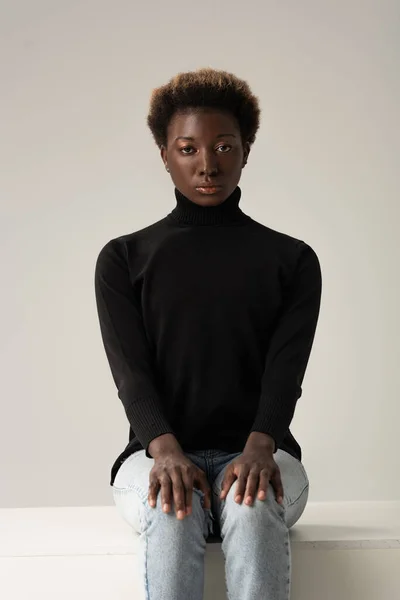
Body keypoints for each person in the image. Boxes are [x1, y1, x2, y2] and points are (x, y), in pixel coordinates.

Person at [94, 67, 322, 600]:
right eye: (188, 148)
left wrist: (259, 446)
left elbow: (285, 372)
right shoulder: (124, 259)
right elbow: (132, 375)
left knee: (253, 497)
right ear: (164, 153)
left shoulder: (292, 260)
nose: (208, 164)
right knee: (170, 506)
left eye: (224, 145)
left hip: (264, 451)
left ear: (246, 149)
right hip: (155, 453)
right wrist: (165, 450)